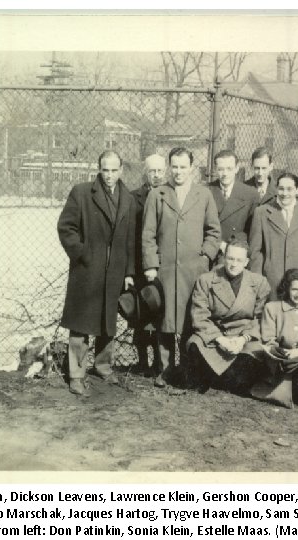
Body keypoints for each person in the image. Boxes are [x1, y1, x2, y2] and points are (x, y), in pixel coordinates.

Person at [141, 147, 221, 388]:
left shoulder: (203, 195)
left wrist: (205, 257)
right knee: (165, 320)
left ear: (191, 168)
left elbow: (214, 232)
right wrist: (151, 265)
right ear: (169, 167)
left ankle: (187, 370)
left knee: (189, 320)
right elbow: (148, 234)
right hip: (165, 270)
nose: (178, 171)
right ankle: (164, 370)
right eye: (174, 166)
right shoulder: (158, 194)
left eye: (183, 167)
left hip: (192, 271)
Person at [58, 150, 136, 395]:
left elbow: (131, 239)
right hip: (87, 272)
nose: (109, 176)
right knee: (81, 324)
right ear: (99, 169)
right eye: (105, 170)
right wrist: (83, 254)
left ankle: (103, 367)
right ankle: (77, 375)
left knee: (107, 321)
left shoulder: (128, 199)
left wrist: (128, 271)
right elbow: (66, 227)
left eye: (114, 170)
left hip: (114, 272)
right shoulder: (82, 193)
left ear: (121, 170)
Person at [186, 240, 271, 392]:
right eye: (230, 258)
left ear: (246, 262)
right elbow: (199, 316)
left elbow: (261, 319)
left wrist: (242, 339)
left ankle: (223, 380)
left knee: (256, 355)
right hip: (215, 335)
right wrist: (220, 339)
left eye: (239, 260)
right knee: (194, 344)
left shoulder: (259, 283)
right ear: (224, 258)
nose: (234, 264)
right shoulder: (206, 280)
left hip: (243, 338)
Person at [251, 268, 298, 409]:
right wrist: (282, 352)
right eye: (294, 289)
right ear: (287, 288)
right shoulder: (272, 308)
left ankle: (296, 392)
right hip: (280, 356)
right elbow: (268, 338)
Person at [249, 172, 298, 301]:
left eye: (289, 189)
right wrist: (258, 280)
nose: (285, 193)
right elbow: (255, 251)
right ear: (276, 189)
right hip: (272, 280)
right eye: (281, 188)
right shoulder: (262, 212)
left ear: (297, 190)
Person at [130, 154, 166, 376]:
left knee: (161, 316)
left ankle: (160, 364)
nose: (156, 175)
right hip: (142, 265)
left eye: (160, 171)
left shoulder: (170, 195)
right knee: (142, 315)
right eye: (152, 171)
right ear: (145, 172)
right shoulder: (134, 198)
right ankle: (143, 361)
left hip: (165, 264)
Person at [207, 150, 259, 263]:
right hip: (211, 251)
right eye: (220, 169)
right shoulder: (206, 191)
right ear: (215, 169)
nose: (225, 173)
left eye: (229, 169)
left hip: (236, 254)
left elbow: (252, 231)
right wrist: (218, 244)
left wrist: (235, 247)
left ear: (236, 168)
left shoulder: (251, 194)